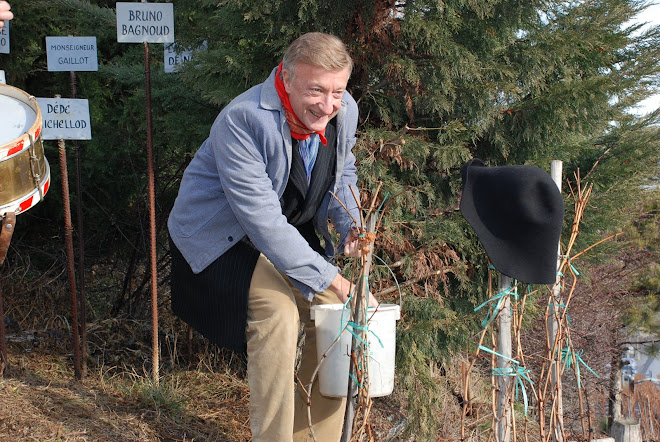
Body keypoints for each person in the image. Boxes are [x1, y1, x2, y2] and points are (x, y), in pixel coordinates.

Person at [168, 32, 378, 441]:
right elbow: (262, 221)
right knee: (278, 315)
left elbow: (342, 172)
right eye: (316, 89)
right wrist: (335, 280)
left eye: (337, 91)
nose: (327, 104)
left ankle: (316, 437)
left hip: (284, 232)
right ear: (285, 76)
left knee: (338, 317)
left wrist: (352, 220)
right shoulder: (243, 119)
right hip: (223, 239)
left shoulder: (345, 111)